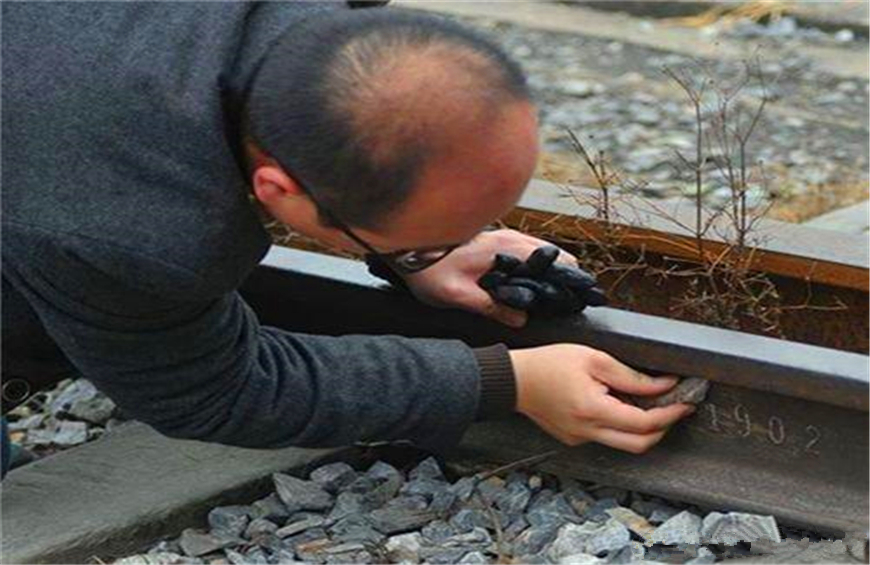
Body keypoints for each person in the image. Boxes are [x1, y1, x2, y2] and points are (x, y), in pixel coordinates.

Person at [1, 1, 695, 477]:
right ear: (278, 189)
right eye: (430, 243)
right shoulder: (129, 228)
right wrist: (505, 381)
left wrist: (424, 246)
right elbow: (220, 389)